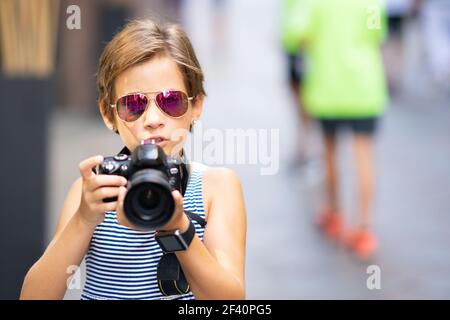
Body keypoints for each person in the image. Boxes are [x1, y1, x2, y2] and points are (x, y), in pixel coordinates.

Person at [20, 19, 247, 300]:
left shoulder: (215, 187)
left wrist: (179, 228)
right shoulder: (93, 192)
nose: (153, 120)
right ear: (108, 113)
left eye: (171, 101)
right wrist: (84, 219)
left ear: (196, 105)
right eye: (133, 105)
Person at [286, 0, 388, 259]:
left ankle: (334, 214)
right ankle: (363, 228)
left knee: (329, 153)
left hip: (328, 86)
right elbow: (379, 33)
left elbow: (297, 36)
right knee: (364, 156)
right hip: (365, 87)